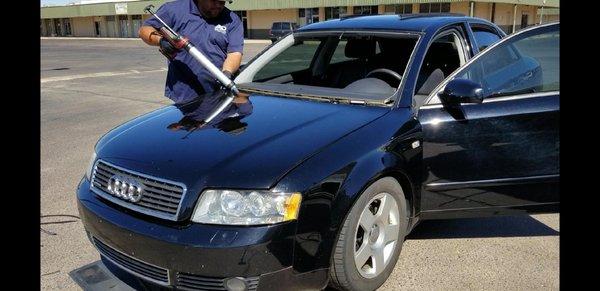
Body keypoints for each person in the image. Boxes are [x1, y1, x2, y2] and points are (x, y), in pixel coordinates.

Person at [139, 0, 243, 104]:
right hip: (184, 94)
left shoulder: (232, 19)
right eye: (214, 1)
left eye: (222, 2)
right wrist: (160, 41)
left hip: (218, 94)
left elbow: (234, 53)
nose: (218, 5)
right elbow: (145, 30)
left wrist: (226, 73)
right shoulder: (174, 10)